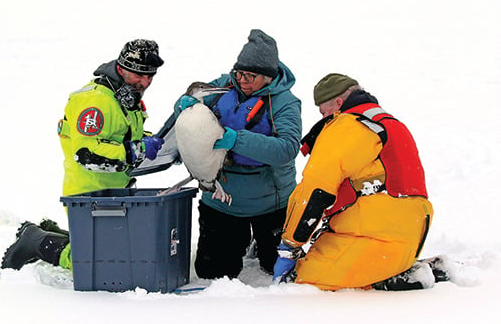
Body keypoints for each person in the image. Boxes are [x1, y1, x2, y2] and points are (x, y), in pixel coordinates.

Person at [1, 39, 166, 271]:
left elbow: (120, 135)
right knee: (105, 261)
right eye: (139, 74)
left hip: (114, 190)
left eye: (150, 76)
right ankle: (36, 242)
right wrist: (135, 150)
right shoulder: (95, 100)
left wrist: (157, 144)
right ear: (121, 68)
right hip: (87, 193)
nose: (145, 82)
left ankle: (56, 233)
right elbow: (87, 154)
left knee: (126, 250)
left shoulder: (126, 97)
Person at [273, 73, 447, 291]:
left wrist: (290, 244)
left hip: (374, 233)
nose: (324, 117)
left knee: (301, 282)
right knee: (366, 265)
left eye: (324, 111)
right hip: (410, 232)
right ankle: (401, 271)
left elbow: (315, 189)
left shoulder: (348, 125)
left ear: (337, 104)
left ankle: (393, 279)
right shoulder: (389, 123)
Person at [176, 29, 302, 279]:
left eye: (250, 76)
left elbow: (287, 149)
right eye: (239, 73)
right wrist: (184, 105)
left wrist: (236, 139)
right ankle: (239, 240)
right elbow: (190, 108)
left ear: (268, 76)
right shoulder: (223, 85)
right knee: (212, 272)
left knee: (275, 270)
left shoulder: (285, 102)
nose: (242, 80)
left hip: (271, 202)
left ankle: (261, 243)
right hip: (223, 199)